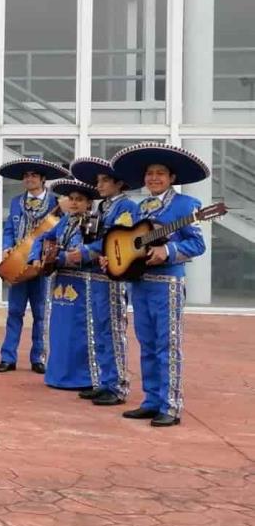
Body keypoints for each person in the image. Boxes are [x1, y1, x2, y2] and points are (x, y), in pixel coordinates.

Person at [111, 143, 208, 428]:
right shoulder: (141, 207)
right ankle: (151, 400)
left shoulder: (186, 206)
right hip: (140, 283)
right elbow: (132, 244)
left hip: (168, 283)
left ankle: (171, 405)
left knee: (168, 344)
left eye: (160, 174)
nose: (154, 178)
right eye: (150, 174)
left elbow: (197, 244)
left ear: (172, 178)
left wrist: (168, 251)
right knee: (147, 344)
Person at [70, 157, 139, 407]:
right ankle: (103, 380)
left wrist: (88, 251)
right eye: (98, 181)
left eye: (104, 180)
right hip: (98, 274)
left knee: (113, 329)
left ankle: (118, 385)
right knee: (99, 328)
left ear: (119, 184)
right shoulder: (102, 208)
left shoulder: (127, 207)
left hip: (114, 274)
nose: (98, 185)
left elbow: (117, 240)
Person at [0, 158, 68, 374]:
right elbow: (9, 228)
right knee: (14, 311)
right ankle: (8, 357)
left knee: (41, 313)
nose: (29, 179)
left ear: (43, 179)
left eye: (34, 175)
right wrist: (7, 246)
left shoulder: (57, 204)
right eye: (26, 176)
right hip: (18, 262)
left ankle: (39, 357)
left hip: (41, 264)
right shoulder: (16, 201)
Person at [30, 178, 101, 391]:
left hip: (82, 283)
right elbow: (41, 237)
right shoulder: (65, 221)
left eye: (80, 200)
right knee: (59, 329)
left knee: (80, 330)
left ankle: (84, 378)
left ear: (89, 203)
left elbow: (95, 249)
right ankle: (58, 375)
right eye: (71, 199)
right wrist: (36, 257)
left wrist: (65, 257)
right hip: (60, 282)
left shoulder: (94, 222)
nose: (74, 203)